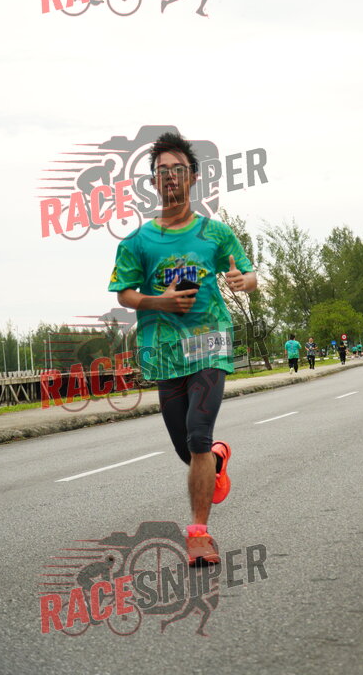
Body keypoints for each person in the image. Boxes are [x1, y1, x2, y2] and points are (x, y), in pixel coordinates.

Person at [108, 131, 257, 565]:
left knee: (197, 432)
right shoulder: (137, 243)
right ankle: (216, 461)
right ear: (153, 182)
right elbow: (125, 294)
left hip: (210, 342)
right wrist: (162, 302)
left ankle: (198, 535)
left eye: (178, 169)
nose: (170, 176)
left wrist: (242, 281)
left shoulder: (215, 233)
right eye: (161, 171)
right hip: (165, 350)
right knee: (187, 448)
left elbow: (249, 275)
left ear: (192, 177)